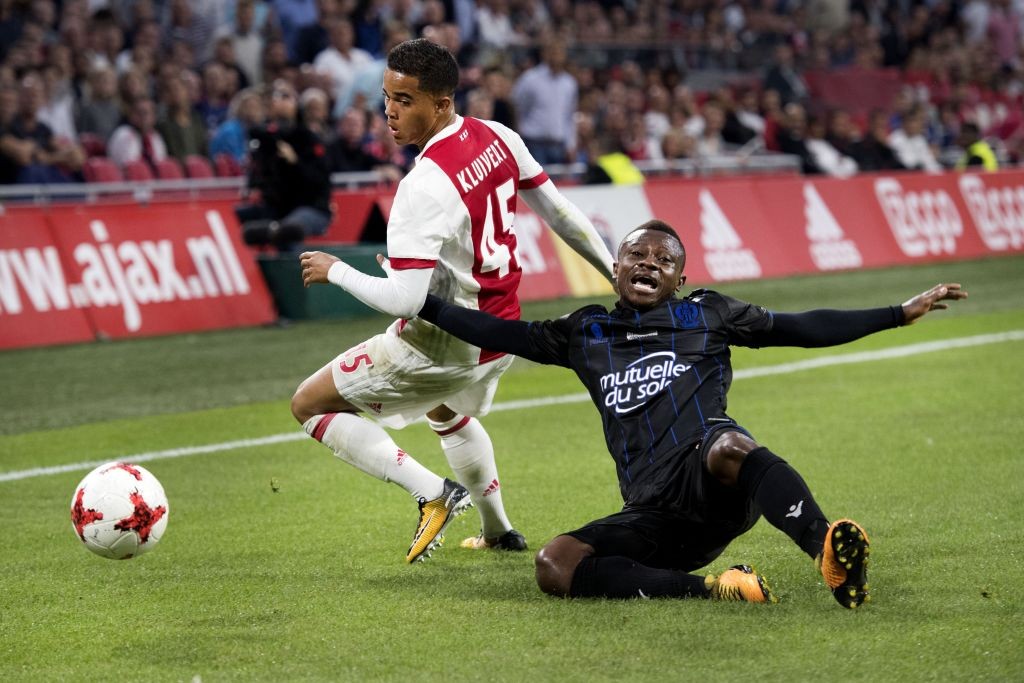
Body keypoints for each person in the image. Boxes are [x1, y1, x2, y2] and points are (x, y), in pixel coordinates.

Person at [416, 220, 967, 607]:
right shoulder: (585, 332)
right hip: (654, 511)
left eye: (664, 260)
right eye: (638, 255)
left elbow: (801, 327)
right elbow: (498, 331)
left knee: (729, 444)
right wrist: (424, 304)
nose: (649, 264)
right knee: (555, 564)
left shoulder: (708, 314)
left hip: (714, 481)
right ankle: (718, 588)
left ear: (679, 279)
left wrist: (896, 313)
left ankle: (827, 550)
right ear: (615, 269)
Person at [295, 39, 614, 564]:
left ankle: (432, 493)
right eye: (386, 97)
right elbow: (559, 212)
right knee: (443, 409)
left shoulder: (422, 187)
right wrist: (613, 271)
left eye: (405, 100)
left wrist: (338, 271)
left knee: (308, 404)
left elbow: (403, 300)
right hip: (504, 332)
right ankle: (498, 530)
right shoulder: (497, 136)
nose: (390, 112)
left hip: (444, 344)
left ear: (441, 104)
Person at [234, 79, 332, 251]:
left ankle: (293, 273)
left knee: (288, 230)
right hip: (275, 207)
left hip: (311, 207)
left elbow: (319, 182)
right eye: (275, 97)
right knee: (233, 216)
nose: (279, 101)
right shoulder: (265, 139)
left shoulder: (308, 138)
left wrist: (295, 162)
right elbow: (258, 175)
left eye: (285, 97)